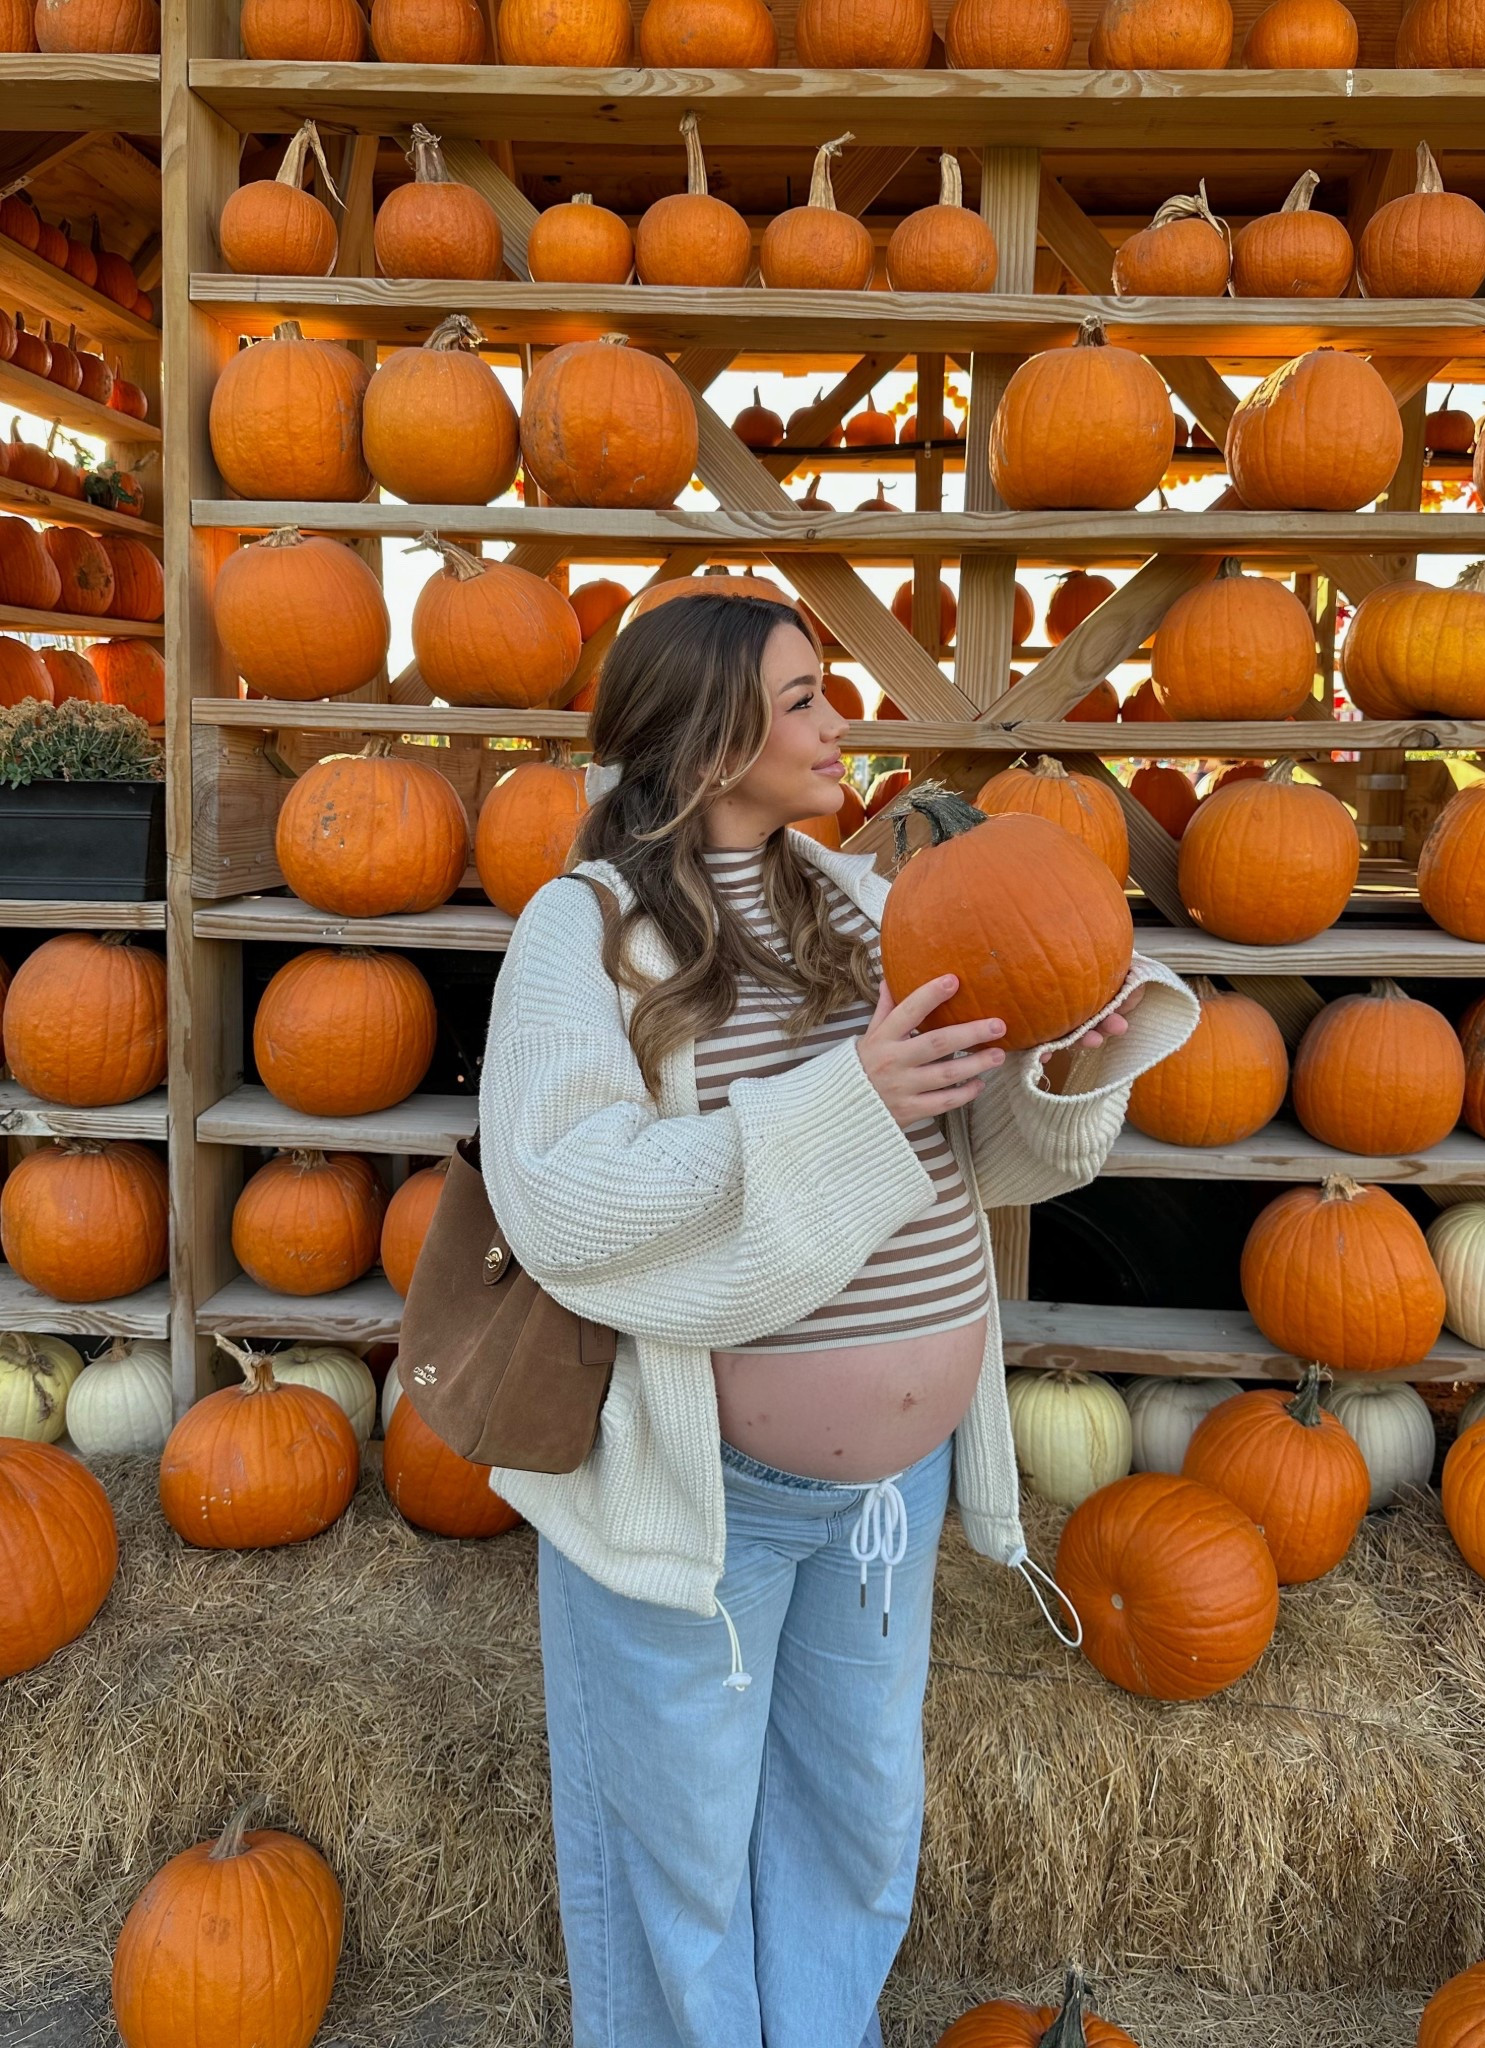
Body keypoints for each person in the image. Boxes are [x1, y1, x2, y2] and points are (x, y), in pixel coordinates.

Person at [479, 593, 1198, 2048]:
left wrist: (1059, 1079)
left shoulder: (868, 905)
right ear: (702, 730)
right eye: (802, 698)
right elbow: (565, 1200)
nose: (839, 724)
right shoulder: (587, 931)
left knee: (856, 1829)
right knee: (678, 1857)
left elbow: (974, 1160)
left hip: (888, 1495)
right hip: (708, 1497)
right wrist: (847, 1095)